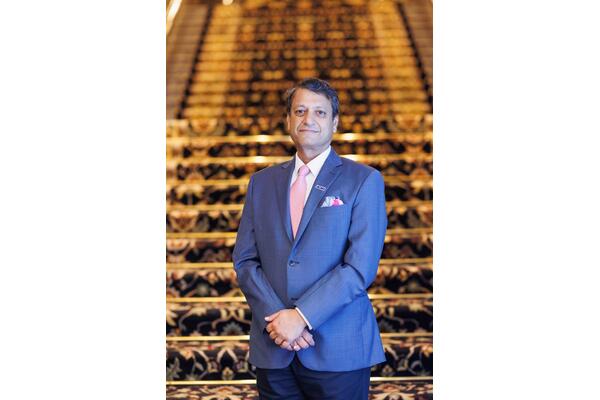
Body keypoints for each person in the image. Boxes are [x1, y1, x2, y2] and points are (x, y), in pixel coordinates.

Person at [232, 78, 387, 399]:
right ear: (288, 120)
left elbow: (359, 267)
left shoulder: (364, 180)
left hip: (338, 346)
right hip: (274, 344)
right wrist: (279, 321)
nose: (308, 119)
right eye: (300, 111)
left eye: (320, 112)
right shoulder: (261, 182)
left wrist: (301, 317)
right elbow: (245, 261)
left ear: (335, 122)